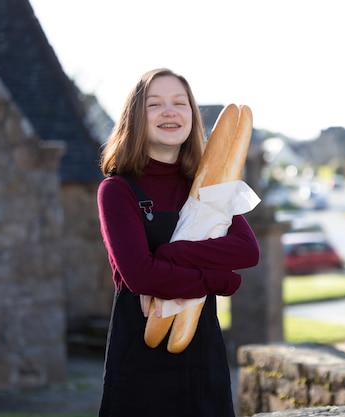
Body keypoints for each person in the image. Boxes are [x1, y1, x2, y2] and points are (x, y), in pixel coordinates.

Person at [96, 68, 260, 417]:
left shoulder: (206, 185)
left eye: (179, 102)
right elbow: (141, 275)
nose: (169, 111)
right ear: (136, 118)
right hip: (141, 357)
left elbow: (247, 250)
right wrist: (219, 280)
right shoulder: (118, 190)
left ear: (191, 115)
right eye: (155, 104)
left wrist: (170, 254)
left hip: (204, 353)